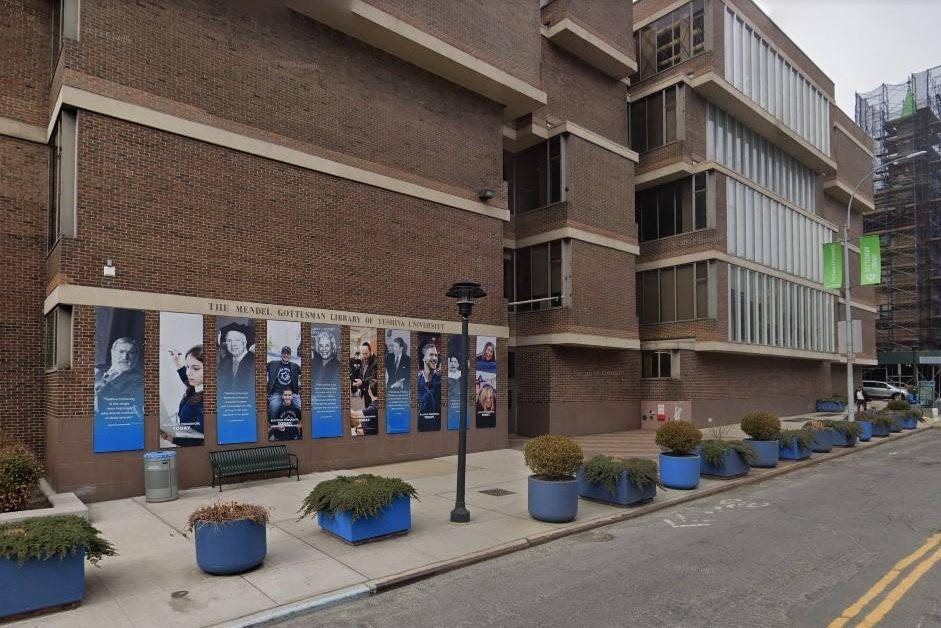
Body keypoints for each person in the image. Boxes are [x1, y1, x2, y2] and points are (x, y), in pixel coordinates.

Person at [166, 345, 205, 446]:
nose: (188, 373)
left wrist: (171, 439)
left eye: (195, 368)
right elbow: (185, 376)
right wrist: (176, 360)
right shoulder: (194, 387)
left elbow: (199, 439)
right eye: (187, 367)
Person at [95, 336, 144, 402]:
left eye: (131, 353)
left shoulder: (139, 381)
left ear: (135, 357)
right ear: (112, 352)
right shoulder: (97, 369)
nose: (125, 357)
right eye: (121, 352)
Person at [218, 322, 255, 391]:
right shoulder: (225, 362)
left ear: (244, 342)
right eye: (229, 340)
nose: (233, 344)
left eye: (237, 340)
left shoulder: (254, 361)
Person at [267, 345, 301, 418]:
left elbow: (306, 372)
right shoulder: (272, 364)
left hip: (292, 393)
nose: (286, 355)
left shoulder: (295, 366)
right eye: (284, 353)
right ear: (281, 354)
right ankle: (274, 426)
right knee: (273, 407)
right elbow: (260, 367)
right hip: (277, 393)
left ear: (290, 355)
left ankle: (300, 426)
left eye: (288, 353)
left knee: (300, 406)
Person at [418, 341, 441, 416]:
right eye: (431, 355)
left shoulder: (442, 381)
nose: (434, 358)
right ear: (423, 358)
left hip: (437, 424)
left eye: (436, 355)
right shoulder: (417, 381)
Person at [351, 341, 377, 405]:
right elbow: (361, 373)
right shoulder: (363, 360)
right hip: (365, 390)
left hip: (373, 391)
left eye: (366, 354)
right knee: (367, 407)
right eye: (363, 354)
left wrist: (362, 382)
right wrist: (360, 387)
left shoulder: (376, 361)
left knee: (373, 409)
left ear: (370, 351)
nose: (364, 356)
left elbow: (373, 376)